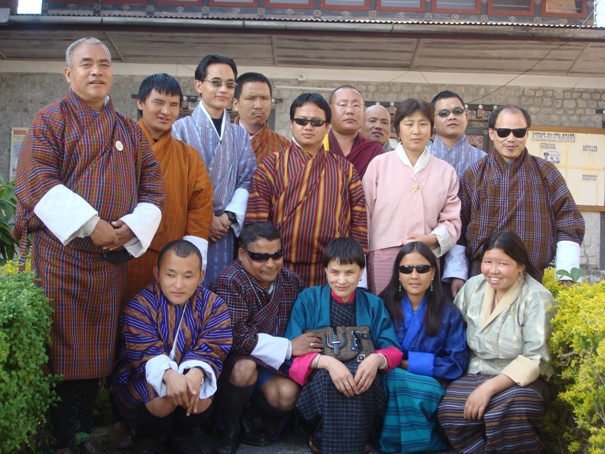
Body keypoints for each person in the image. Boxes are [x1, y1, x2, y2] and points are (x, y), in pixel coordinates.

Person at [13, 37, 165, 454]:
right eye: (86, 64)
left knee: (96, 352)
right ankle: (63, 438)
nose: (97, 70)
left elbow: (153, 185)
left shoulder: (129, 131)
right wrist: (90, 223)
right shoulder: (51, 120)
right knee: (60, 350)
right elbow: (35, 180)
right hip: (60, 255)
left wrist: (127, 227)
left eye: (103, 63)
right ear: (68, 73)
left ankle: (81, 435)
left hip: (109, 258)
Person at [445, 105, 585, 297]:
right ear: (492, 133)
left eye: (518, 132)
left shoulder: (546, 172)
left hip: (532, 279)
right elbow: (459, 227)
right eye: (503, 132)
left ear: (527, 134)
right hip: (482, 278)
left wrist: (566, 276)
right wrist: (457, 274)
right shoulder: (473, 175)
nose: (511, 139)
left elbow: (569, 222)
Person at [438, 230, 555, 453]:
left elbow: (535, 357)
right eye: (488, 261)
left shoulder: (535, 297)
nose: (493, 270)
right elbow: (454, 333)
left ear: (521, 265)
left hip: (522, 382)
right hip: (475, 373)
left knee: (506, 409)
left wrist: (489, 388)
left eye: (503, 263)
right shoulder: (473, 287)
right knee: (450, 410)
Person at [111, 240, 232, 454]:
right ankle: (150, 436)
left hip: (191, 379)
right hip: (143, 381)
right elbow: (144, 351)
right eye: (170, 275)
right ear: (157, 274)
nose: (178, 285)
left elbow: (215, 346)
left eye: (188, 276)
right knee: (164, 399)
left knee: (199, 396)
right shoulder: (140, 305)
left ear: (201, 276)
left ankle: (181, 435)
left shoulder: (214, 305)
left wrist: (196, 373)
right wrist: (168, 375)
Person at [284, 237, 403, 454]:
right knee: (329, 381)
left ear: (361, 272)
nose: (341, 280)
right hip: (320, 384)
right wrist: (327, 362)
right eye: (335, 272)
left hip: (364, 383)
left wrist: (376, 359)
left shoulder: (374, 304)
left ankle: (326, 441)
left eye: (349, 272)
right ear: (325, 271)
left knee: (361, 377)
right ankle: (342, 440)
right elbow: (290, 350)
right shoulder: (307, 299)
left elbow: (392, 349)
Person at [245, 93, 367, 287]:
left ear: (327, 126)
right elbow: (256, 222)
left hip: (332, 271)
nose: (308, 127)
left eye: (317, 122)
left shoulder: (345, 169)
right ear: (292, 123)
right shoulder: (272, 165)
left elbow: (359, 222)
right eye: (302, 121)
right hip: (279, 268)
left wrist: (354, 264)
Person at [209, 222, 311, 454]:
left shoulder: (291, 281)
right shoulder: (229, 281)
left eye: (277, 255)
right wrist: (288, 347)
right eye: (260, 257)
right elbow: (236, 337)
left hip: (273, 364)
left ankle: (246, 416)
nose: (270, 263)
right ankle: (230, 428)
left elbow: (307, 319)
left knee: (287, 396)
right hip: (233, 364)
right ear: (242, 254)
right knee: (245, 367)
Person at [124, 73, 214, 301]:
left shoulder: (189, 156)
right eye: (159, 102)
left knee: (161, 319)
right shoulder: (119, 145)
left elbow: (200, 208)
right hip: (120, 252)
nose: (166, 111)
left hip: (168, 261)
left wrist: (190, 260)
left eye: (174, 105)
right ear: (141, 103)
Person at [172, 54, 257, 286]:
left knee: (222, 293)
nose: (224, 89)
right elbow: (174, 183)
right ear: (198, 85)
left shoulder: (239, 134)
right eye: (216, 82)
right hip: (189, 227)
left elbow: (247, 179)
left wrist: (227, 217)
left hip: (224, 232)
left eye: (230, 84)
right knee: (188, 289)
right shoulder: (179, 130)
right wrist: (204, 218)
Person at [376, 242, 468, 454]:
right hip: (386, 381)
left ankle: (395, 443)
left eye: (422, 268)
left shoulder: (449, 313)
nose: (414, 275)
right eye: (406, 269)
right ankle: (421, 442)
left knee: (398, 379)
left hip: (429, 385)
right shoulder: (381, 305)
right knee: (393, 380)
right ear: (398, 274)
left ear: (433, 272)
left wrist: (409, 364)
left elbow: (457, 363)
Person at [362, 98, 461, 295]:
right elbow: (364, 215)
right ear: (397, 130)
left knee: (423, 315)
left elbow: (453, 220)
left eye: (423, 124)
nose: (417, 130)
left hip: (426, 256)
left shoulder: (445, 171)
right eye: (409, 124)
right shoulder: (379, 165)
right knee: (385, 316)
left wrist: (432, 239)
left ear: (431, 129)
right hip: (383, 255)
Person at [325, 85, 384, 178]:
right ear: (329, 110)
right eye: (343, 105)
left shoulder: (374, 152)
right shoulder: (316, 146)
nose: (350, 111)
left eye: (356, 105)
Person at [232, 72, 290, 163]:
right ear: (235, 104)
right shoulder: (219, 140)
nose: (258, 105)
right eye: (250, 98)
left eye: (264, 98)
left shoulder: (284, 146)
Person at [428, 90, 485, 177]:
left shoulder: (483, 160)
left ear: (466, 118)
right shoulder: (421, 158)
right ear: (433, 121)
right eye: (444, 113)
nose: (451, 117)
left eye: (457, 111)